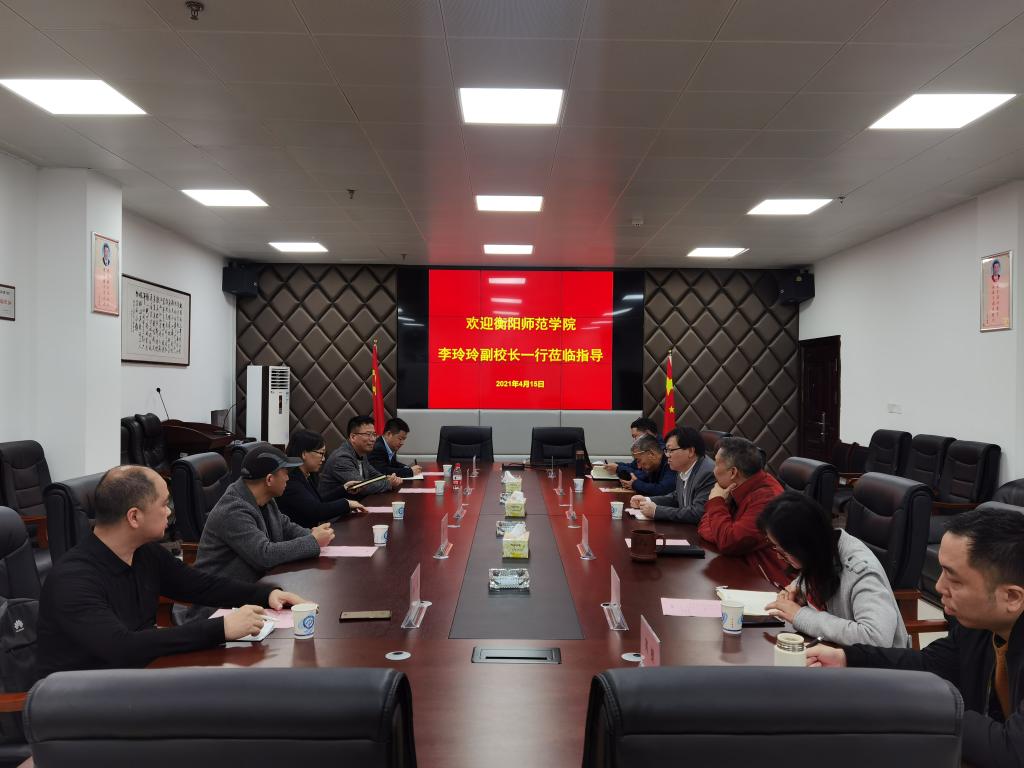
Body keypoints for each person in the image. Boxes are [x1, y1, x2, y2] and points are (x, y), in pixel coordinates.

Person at [37, 465, 308, 677]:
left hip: (138, 678)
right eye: (164, 504)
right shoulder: (73, 580)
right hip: (83, 702)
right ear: (134, 516)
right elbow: (121, 647)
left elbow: (201, 586)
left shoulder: (144, 553)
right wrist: (222, 628)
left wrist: (266, 594)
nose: (169, 512)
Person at [807, 508, 1024, 767]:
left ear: (1011, 597)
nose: (939, 586)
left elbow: (1012, 750)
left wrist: (923, 703)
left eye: (954, 579)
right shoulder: (979, 625)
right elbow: (929, 664)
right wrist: (847, 658)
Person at [175, 446, 334, 623]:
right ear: (269, 479)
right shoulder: (233, 510)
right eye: (285, 473)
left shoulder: (265, 499)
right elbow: (264, 555)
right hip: (219, 610)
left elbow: (286, 526)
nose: (288, 478)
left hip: (254, 595)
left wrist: (313, 535)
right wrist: (313, 541)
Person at [759, 491, 909, 648]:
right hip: (834, 651)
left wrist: (800, 616)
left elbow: (876, 637)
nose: (779, 557)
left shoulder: (861, 570)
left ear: (803, 545)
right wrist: (798, 587)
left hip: (876, 662)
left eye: (783, 551)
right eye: (775, 548)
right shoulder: (821, 549)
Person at [697, 436, 787, 586]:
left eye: (716, 464)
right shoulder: (735, 488)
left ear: (733, 472)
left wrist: (717, 502)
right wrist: (722, 532)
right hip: (743, 569)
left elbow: (729, 542)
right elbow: (704, 527)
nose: (713, 471)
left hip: (769, 584)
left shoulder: (766, 498)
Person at [278, 429, 366, 527]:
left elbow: (317, 501)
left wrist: (344, 488)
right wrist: (346, 504)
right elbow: (317, 511)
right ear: (304, 454)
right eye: (321, 453)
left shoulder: (306, 475)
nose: (323, 459)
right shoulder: (290, 480)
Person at [630, 427, 715, 523]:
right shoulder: (682, 467)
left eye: (671, 450)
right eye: (666, 450)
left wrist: (656, 511)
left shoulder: (707, 473)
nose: (667, 455)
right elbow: (677, 497)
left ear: (691, 451)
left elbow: (697, 513)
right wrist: (647, 500)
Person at [319, 415, 402, 501]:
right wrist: (388, 483)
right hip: (335, 507)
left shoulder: (361, 453)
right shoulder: (342, 458)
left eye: (374, 434)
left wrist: (389, 479)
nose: (373, 439)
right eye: (368, 434)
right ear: (353, 437)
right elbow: (362, 487)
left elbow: (376, 476)